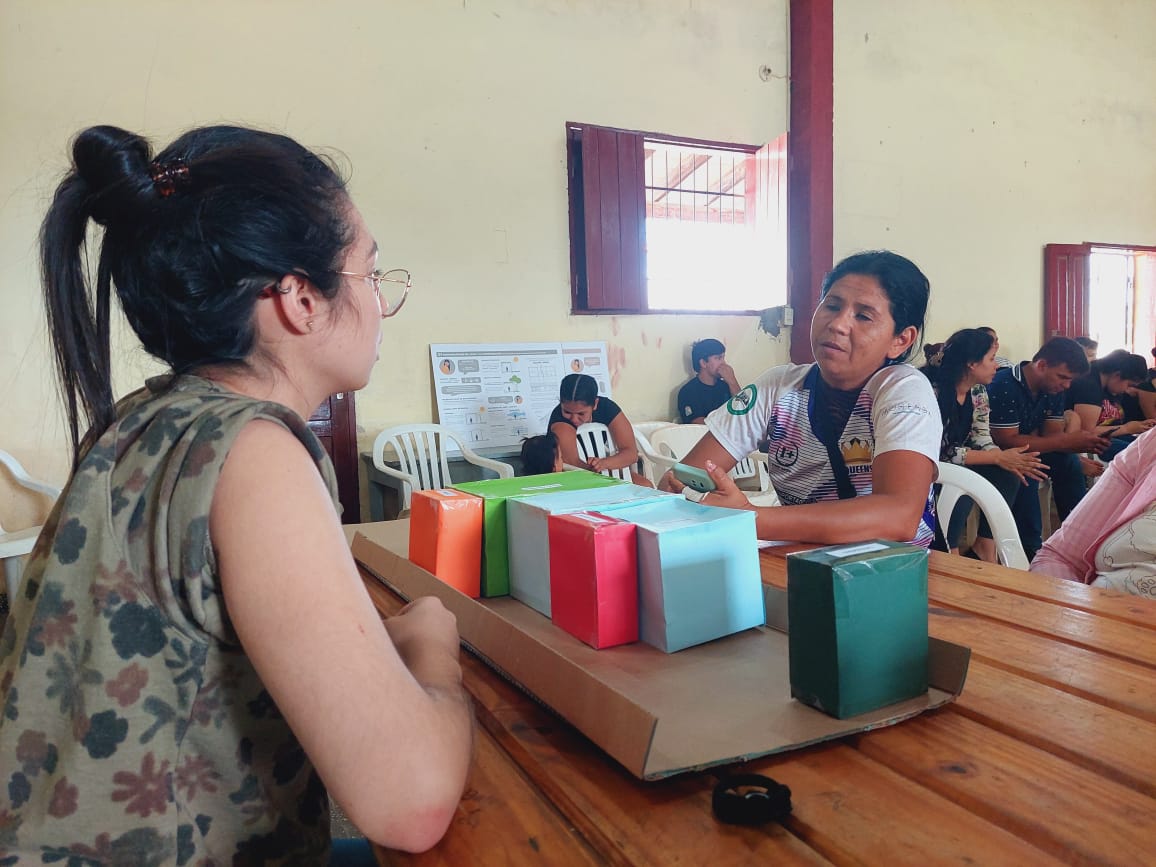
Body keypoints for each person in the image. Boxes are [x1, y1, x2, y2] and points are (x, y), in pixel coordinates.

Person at [0, 125, 473, 862]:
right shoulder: (254, 454)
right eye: (370, 274)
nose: (381, 304)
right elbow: (411, 801)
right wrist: (434, 651)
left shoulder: (144, 417)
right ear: (298, 299)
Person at [660, 250, 942, 547]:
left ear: (901, 340)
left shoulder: (903, 390)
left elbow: (898, 517)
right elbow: (687, 476)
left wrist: (750, 517)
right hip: (805, 561)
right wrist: (678, 487)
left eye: (863, 316)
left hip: (895, 573)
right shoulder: (778, 387)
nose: (837, 324)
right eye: (832, 306)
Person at [922, 329, 1047, 561]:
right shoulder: (930, 391)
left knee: (1008, 473)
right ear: (971, 364)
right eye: (991, 359)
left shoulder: (978, 392)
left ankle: (985, 547)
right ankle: (950, 553)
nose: (997, 366)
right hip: (928, 467)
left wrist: (1005, 458)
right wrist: (998, 457)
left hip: (960, 461)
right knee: (963, 483)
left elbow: (981, 437)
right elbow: (939, 451)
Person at [987, 337, 1109, 560]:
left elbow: (1052, 435)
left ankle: (1078, 535)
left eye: (1070, 380)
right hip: (997, 455)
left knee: (1068, 462)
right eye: (1063, 377)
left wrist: (1076, 445)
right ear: (1041, 365)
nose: (1066, 385)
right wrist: (1068, 442)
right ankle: (1029, 548)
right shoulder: (1004, 384)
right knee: (1027, 470)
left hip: (1026, 448)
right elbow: (1007, 440)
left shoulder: (1053, 388)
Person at [1030, 426, 1156, 598]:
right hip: (1090, 612)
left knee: (1062, 463)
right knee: (1034, 469)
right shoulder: (1149, 446)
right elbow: (1061, 557)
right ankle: (1022, 542)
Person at [548, 373, 651, 484]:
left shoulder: (607, 408)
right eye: (567, 412)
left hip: (603, 469)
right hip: (575, 477)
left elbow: (631, 454)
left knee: (646, 485)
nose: (574, 419)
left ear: (595, 404)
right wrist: (598, 468)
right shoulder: (560, 423)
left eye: (581, 414)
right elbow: (573, 466)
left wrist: (604, 463)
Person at [677, 338, 741, 423]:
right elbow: (698, 425)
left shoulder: (726, 386)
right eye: (718, 358)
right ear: (703, 363)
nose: (724, 363)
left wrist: (732, 381)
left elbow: (745, 410)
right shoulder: (688, 391)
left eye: (723, 357)